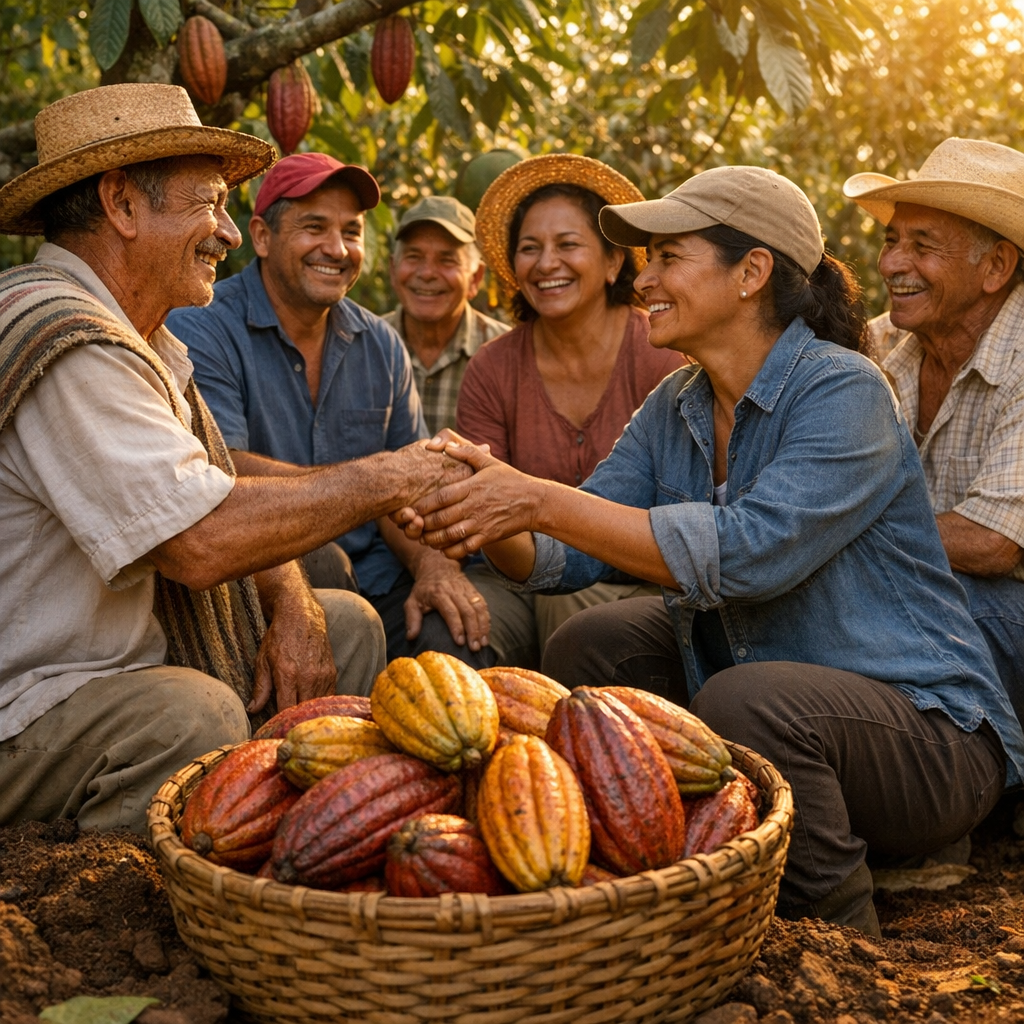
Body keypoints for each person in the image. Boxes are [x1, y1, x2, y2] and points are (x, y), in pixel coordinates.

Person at [396, 165, 1024, 935]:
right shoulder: (678, 401)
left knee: (746, 700)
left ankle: (833, 931)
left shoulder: (844, 390)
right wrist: (480, 503)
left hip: (928, 744)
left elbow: (748, 553)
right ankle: (646, 869)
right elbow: (570, 551)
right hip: (782, 707)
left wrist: (534, 497)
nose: (643, 280)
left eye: (668, 258)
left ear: (751, 273)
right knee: (592, 644)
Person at [0, 84, 471, 834]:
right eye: (209, 203)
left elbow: (203, 485)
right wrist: (393, 476)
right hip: (31, 703)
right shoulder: (70, 343)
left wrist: (291, 599)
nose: (223, 230)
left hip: (122, 657)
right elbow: (199, 537)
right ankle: (134, 905)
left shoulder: (139, 335)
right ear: (121, 203)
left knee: (341, 625)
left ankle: (312, 846)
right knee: (191, 716)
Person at [167, 153, 532, 669]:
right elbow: (223, 472)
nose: (337, 249)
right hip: (263, 576)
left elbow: (413, 490)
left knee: (453, 640)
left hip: (379, 576)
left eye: (352, 232)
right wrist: (374, 483)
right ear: (262, 237)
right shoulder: (202, 328)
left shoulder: (379, 342)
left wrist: (433, 568)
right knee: (325, 561)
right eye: (314, 227)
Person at [457, 154, 687, 648]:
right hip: (518, 574)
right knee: (459, 628)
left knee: (575, 618)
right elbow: (481, 498)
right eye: (530, 248)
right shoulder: (493, 367)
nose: (545, 264)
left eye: (567, 245)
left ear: (613, 262)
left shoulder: (664, 353)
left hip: (643, 580)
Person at [843, 137, 1024, 729]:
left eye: (923, 246)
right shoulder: (880, 344)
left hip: (1007, 606)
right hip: (925, 584)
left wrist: (828, 529)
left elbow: (993, 542)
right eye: (893, 240)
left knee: (884, 616)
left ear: (996, 266)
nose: (893, 264)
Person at [382, 195, 507, 436]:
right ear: (393, 270)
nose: (427, 273)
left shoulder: (506, 355)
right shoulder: (363, 348)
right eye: (414, 257)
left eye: (447, 260)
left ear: (476, 278)